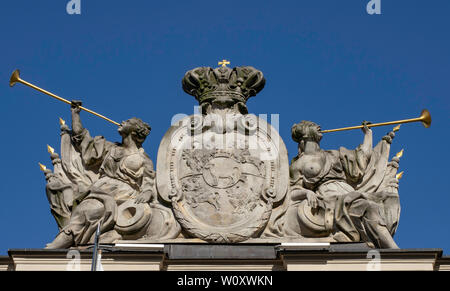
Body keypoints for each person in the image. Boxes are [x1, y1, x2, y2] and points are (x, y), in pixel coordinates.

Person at [45, 100, 155, 248]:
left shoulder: (143, 158)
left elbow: (149, 181)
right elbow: (83, 140)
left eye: (127, 121)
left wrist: (147, 192)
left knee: (88, 211)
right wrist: (75, 114)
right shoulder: (110, 148)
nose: (122, 121)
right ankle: (61, 245)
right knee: (85, 211)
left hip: (125, 195)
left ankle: (56, 247)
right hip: (101, 189)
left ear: (134, 132)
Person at [286, 120, 399, 248]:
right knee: (367, 207)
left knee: (377, 204)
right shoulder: (298, 164)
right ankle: (393, 250)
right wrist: (307, 193)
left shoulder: (334, 154)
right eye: (312, 126)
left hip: (347, 191)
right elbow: (291, 192)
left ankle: (389, 251)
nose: (319, 126)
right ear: (305, 134)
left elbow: (361, 159)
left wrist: (368, 134)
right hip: (328, 197)